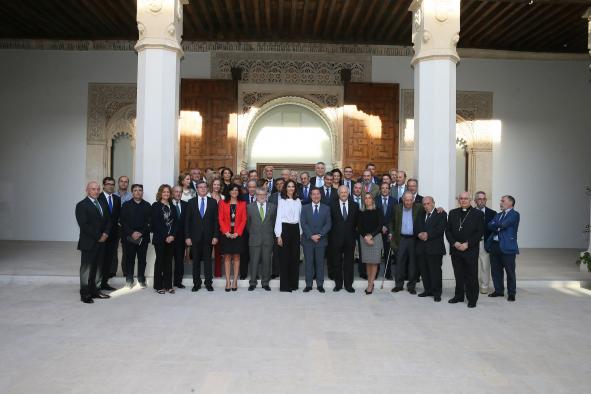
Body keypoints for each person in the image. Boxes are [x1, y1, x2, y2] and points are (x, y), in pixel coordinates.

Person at [446, 191, 485, 308]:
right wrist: (454, 243)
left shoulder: (478, 214)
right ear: (458, 200)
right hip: (456, 249)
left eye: (466, 199)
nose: (463, 200)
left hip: (470, 249)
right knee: (458, 274)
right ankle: (458, 296)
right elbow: (448, 231)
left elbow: (480, 232)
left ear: (471, 200)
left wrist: (468, 244)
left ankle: (472, 299)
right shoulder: (453, 213)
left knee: (471, 275)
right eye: (461, 198)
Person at [75, 181, 111, 303]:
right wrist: (99, 236)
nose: (96, 191)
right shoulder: (81, 205)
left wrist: (106, 233)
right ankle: (85, 293)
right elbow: (84, 225)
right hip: (89, 242)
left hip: (102, 242)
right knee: (86, 269)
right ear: (87, 190)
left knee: (99, 268)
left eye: (97, 189)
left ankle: (96, 291)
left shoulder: (102, 203)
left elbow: (108, 220)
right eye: (93, 189)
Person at [185, 180, 219, 292]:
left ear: (207, 189)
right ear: (197, 189)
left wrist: (215, 236)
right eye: (200, 187)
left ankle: (208, 283)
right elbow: (187, 221)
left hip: (209, 237)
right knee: (196, 262)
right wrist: (188, 237)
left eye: (205, 187)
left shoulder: (213, 202)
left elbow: (215, 221)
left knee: (208, 261)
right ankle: (196, 283)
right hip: (195, 238)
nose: (203, 189)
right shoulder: (191, 202)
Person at [486, 195, 520, 302]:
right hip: (494, 246)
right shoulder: (499, 214)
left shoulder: (515, 214)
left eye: (503, 201)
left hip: (507, 246)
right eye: (501, 200)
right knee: (496, 270)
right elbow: (489, 225)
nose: (500, 202)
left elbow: (504, 224)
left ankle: (511, 293)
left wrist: (496, 224)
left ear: (510, 203)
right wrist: (497, 225)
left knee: (510, 271)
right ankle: (499, 290)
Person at [390, 191, 423, 294]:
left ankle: (411, 286)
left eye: (410, 200)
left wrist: (439, 209)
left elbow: (430, 208)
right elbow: (392, 222)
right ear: (403, 200)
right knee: (399, 262)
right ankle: (398, 285)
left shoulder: (419, 207)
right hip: (401, 239)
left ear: (413, 200)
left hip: (414, 239)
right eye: (406, 200)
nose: (408, 202)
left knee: (413, 264)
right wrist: (391, 233)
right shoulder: (397, 208)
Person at [414, 196, 447, 302]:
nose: (426, 206)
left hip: (435, 248)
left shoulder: (441, 214)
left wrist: (427, 234)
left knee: (435, 271)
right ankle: (427, 290)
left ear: (433, 203)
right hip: (422, 248)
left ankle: (437, 293)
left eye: (428, 203)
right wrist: (419, 234)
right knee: (424, 271)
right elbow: (416, 227)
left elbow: (440, 229)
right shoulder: (420, 214)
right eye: (424, 204)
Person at [300, 188, 332, 293]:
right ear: (310, 196)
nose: (316, 196)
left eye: (318, 194)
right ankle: (308, 285)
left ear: (320, 195)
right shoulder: (304, 208)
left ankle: (320, 285)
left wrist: (320, 234)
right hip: (308, 240)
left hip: (321, 240)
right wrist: (311, 235)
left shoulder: (326, 208)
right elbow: (303, 223)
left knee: (320, 263)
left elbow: (328, 224)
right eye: (313, 194)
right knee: (308, 263)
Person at [120, 184, 151, 289]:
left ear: (142, 192)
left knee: (142, 259)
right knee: (130, 259)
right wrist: (132, 233)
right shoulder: (126, 205)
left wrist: (140, 232)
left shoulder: (147, 205)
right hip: (129, 237)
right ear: (132, 192)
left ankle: (141, 279)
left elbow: (149, 222)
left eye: (140, 190)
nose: (138, 192)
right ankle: (129, 279)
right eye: (135, 190)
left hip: (143, 237)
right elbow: (122, 221)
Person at [247, 187, 277, 291]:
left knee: (267, 262)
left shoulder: (272, 207)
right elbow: (248, 224)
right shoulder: (249, 207)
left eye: (264, 194)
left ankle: (265, 283)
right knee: (254, 262)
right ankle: (253, 283)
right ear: (256, 195)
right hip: (254, 239)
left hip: (268, 239)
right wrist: (253, 233)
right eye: (259, 194)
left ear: (267, 195)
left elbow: (274, 223)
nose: (262, 196)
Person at [330, 185, 359, 292]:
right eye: (341, 192)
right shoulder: (332, 205)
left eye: (345, 192)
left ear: (348, 193)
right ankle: (338, 284)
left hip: (350, 239)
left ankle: (348, 285)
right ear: (338, 194)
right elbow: (330, 222)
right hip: (335, 239)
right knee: (336, 262)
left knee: (349, 263)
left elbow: (357, 223)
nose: (343, 194)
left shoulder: (355, 205)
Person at [218, 184, 247, 291]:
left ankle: (234, 281)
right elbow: (220, 219)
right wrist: (226, 232)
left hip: (238, 233)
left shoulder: (243, 204)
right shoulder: (222, 203)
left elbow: (244, 219)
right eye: (232, 190)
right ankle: (227, 281)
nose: (234, 192)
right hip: (226, 233)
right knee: (227, 257)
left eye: (236, 190)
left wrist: (237, 233)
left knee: (236, 257)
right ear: (228, 192)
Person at [275, 180, 302, 292]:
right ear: (285, 188)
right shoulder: (282, 201)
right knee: (284, 258)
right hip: (284, 229)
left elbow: (299, 218)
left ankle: (293, 284)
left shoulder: (298, 201)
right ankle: (285, 286)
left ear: (295, 189)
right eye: (289, 186)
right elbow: (278, 218)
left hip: (295, 229)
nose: (291, 188)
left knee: (295, 258)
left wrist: (300, 233)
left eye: (293, 187)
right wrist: (278, 235)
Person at [151, 185, 177, 294]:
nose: (166, 194)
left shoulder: (173, 206)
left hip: (171, 239)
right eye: (164, 192)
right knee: (160, 261)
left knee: (168, 262)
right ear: (160, 193)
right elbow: (155, 224)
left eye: (168, 192)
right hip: (160, 238)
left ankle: (168, 285)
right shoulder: (155, 206)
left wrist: (172, 235)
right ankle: (158, 286)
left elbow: (176, 223)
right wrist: (166, 236)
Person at [98, 176, 121, 290]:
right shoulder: (98, 198)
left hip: (113, 235)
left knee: (109, 260)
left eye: (112, 184)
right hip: (101, 235)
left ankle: (104, 283)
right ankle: (96, 283)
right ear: (103, 185)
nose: (110, 186)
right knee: (99, 259)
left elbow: (117, 218)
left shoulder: (117, 199)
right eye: (108, 184)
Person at [358, 193, 383, 295]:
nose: (367, 200)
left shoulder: (378, 210)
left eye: (369, 198)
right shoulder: (361, 212)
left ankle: (370, 284)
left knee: (374, 262)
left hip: (376, 238)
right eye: (366, 198)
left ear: (373, 200)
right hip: (364, 238)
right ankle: (370, 282)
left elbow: (380, 225)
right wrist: (366, 237)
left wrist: (371, 236)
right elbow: (359, 226)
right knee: (368, 262)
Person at [474, 191, 497, 294]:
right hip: (472, 243)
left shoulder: (492, 213)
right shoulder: (470, 212)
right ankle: (473, 285)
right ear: (475, 201)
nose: (482, 201)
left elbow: (494, 229)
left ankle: (484, 286)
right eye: (479, 199)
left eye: (484, 199)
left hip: (485, 243)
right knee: (472, 265)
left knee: (485, 265)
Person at [375, 182, 396, 280]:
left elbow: (394, 217)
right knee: (377, 253)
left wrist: (387, 227)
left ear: (389, 190)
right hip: (378, 231)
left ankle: (388, 273)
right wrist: (381, 227)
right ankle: (376, 272)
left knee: (388, 253)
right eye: (382, 188)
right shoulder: (375, 200)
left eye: (386, 188)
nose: (384, 190)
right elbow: (373, 216)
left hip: (389, 231)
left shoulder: (394, 201)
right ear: (380, 189)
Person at [115, 175, 132, 277]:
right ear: (118, 183)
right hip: (114, 226)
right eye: (122, 181)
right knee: (113, 249)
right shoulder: (113, 195)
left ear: (128, 184)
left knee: (127, 249)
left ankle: (126, 271)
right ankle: (112, 271)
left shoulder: (131, 196)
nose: (123, 183)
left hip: (126, 226)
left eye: (126, 182)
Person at [171, 186, 188, 288]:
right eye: (176, 192)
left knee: (179, 261)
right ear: (172, 193)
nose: (178, 194)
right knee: (168, 261)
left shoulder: (186, 205)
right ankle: (167, 281)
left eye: (180, 192)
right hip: (169, 238)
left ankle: (178, 281)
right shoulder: (168, 205)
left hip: (181, 239)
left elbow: (187, 222)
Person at [208, 177, 224, 278]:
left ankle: (217, 273)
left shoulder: (223, 197)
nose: (216, 186)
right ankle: (208, 273)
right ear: (211, 185)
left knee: (219, 251)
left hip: (220, 226)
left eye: (218, 185)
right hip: (208, 226)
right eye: (215, 184)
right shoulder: (207, 196)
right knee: (207, 251)